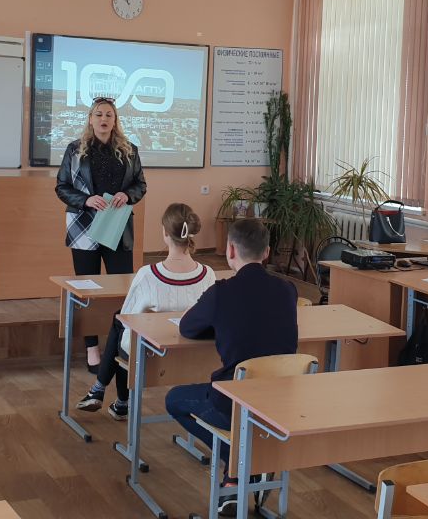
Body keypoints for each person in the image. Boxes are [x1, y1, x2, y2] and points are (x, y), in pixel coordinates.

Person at [165, 219, 298, 508]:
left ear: (230, 251)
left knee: (174, 399)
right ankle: (244, 469)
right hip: (280, 403)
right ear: (267, 253)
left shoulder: (221, 292)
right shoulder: (288, 289)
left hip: (235, 405)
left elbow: (187, 328)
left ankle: (239, 463)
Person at [77, 203, 216, 419]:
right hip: (193, 353)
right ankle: (106, 395)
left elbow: (127, 318)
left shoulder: (148, 275)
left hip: (150, 355)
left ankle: (111, 395)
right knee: (122, 324)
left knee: (121, 324)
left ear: (165, 233)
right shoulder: (208, 275)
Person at [54, 97, 148, 373]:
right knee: (88, 290)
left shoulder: (129, 150)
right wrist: (85, 200)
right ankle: (92, 349)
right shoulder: (74, 150)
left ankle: (121, 345)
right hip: (84, 226)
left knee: (123, 290)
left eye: (109, 115)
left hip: (117, 225)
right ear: (90, 119)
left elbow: (140, 185)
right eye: (98, 114)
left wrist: (127, 195)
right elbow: (61, 187)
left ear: (115, 120)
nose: (104, 119)